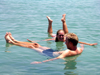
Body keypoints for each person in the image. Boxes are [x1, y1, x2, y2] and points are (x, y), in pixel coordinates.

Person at [4, 32, 84, 64]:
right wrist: (83, 45)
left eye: (66, 41)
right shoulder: (79, 50)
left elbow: (57, 58)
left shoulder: (67, 51)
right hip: (53, 51)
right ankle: (15, 40)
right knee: (36, 44)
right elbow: (82, 48)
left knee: (32, 46)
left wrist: (40, 62)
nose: (65, 42)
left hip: (50, 54)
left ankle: (11, 42)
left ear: (70, 43)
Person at [27, 14, 97, 46]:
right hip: (55, 36)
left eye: (62, 36)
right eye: (60, 35)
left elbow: (78, 41)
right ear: (57, 35)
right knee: (50, 34)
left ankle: (62, 20)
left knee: (66, 34)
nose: (61, 37)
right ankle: (52, 22)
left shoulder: (65, 38)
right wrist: (34, 41)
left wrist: (89, 44)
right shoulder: (55, 38)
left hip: (65, 35)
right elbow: (45, 40)